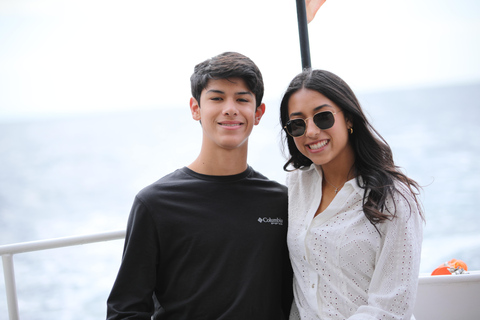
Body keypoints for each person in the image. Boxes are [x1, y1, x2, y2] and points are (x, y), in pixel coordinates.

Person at [106, 52, 292, 319]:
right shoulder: (156, 203)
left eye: (242, 99)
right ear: (196, 109)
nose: (230, 108)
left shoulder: (281, 201)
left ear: (258, 112)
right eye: (216, 98)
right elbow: (126, 310)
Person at [279, 69, 424, 320]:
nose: (311, 131)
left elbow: (391, 308)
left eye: (323, 117)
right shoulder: (296, 187)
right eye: (297, 123)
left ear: (348, 118)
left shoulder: (394, 198)